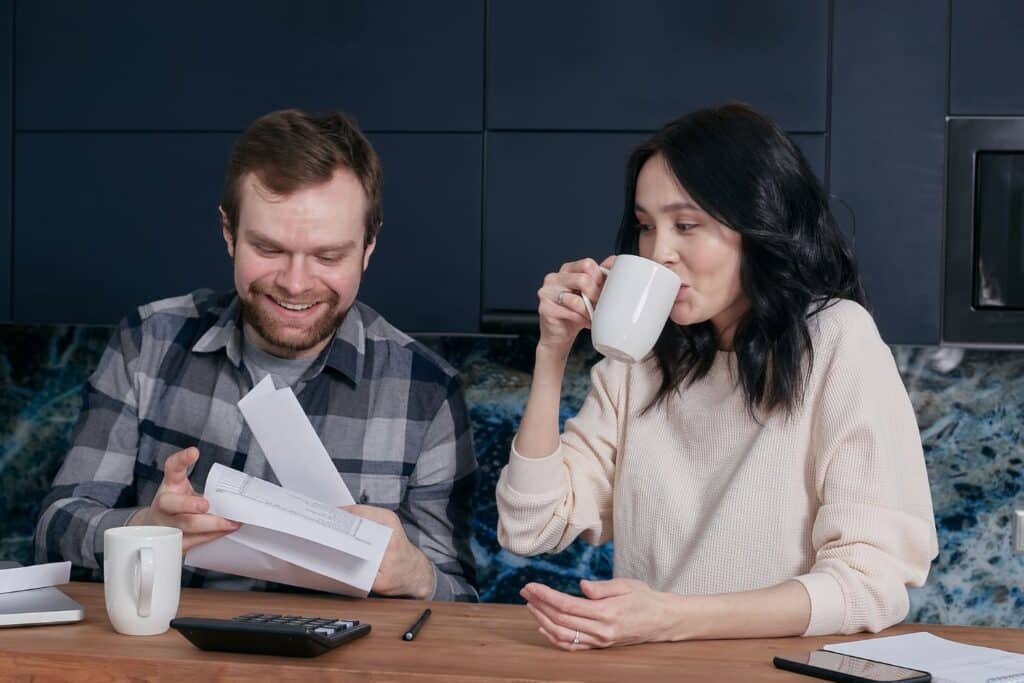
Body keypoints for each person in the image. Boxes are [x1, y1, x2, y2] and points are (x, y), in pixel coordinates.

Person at [495, 103, 938, 648]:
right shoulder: (640, 364)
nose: (659, 253)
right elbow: (530, 526)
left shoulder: (836, 339)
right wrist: (552, 351)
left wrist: (671, 618)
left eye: (686, 225)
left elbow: (871, 584)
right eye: (646, 227)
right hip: (657, 669)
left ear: (758, 223)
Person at [35, 109, 479, 602]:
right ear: (229, 232)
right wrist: (145, 529)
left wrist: (416, 574)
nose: (295, 283)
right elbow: (55, 529)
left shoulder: (427, 392)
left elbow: (461, 599)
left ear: (368, 248)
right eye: (269, 249)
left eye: (328, 256)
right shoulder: (149, 342)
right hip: (166, 645)